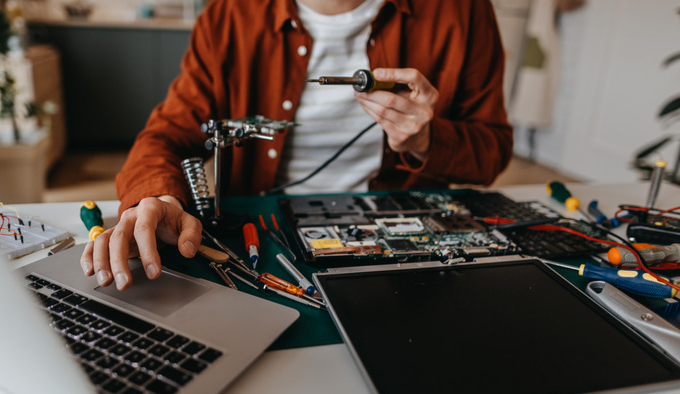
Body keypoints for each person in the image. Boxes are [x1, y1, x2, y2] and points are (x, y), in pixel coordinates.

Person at [80, 0, 514, 291]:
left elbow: (492, 150)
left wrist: (428, 140)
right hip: (264, 238)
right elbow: (165, 135)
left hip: (408, 245)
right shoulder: (231, 15)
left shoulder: (462, 11)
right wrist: (156, 195)